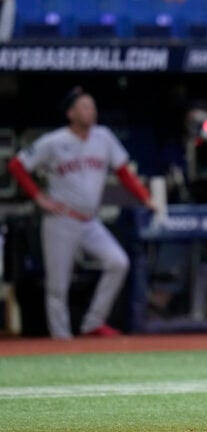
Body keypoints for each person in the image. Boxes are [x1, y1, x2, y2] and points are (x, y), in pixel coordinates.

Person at [7, 86, 155, 340]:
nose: (91, 111)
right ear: (71, 113)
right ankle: (61, 342)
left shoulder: (104, 137)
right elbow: (17, 165)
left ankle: (93, 323)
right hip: (61, 219)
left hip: (90, 221)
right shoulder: (54, 142)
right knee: (58, 287)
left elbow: (123, 171)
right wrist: (40, 198)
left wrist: (145, 198)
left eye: (92, 106)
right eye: (85, 107)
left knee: (118, 262)